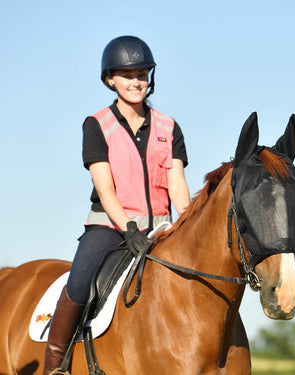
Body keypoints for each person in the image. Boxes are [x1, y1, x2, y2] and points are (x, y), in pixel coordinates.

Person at [43, 35, 190, 374]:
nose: (136, 82)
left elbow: (177, 183)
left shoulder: (169, 127)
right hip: (110, 227)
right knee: (80, 280)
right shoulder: (97, 125)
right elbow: (105, 189)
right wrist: (129, 228)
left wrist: (187, 221)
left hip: (160, 227)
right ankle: (55, 364)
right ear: (110, 79)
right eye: (127, 75)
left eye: (142, 74)